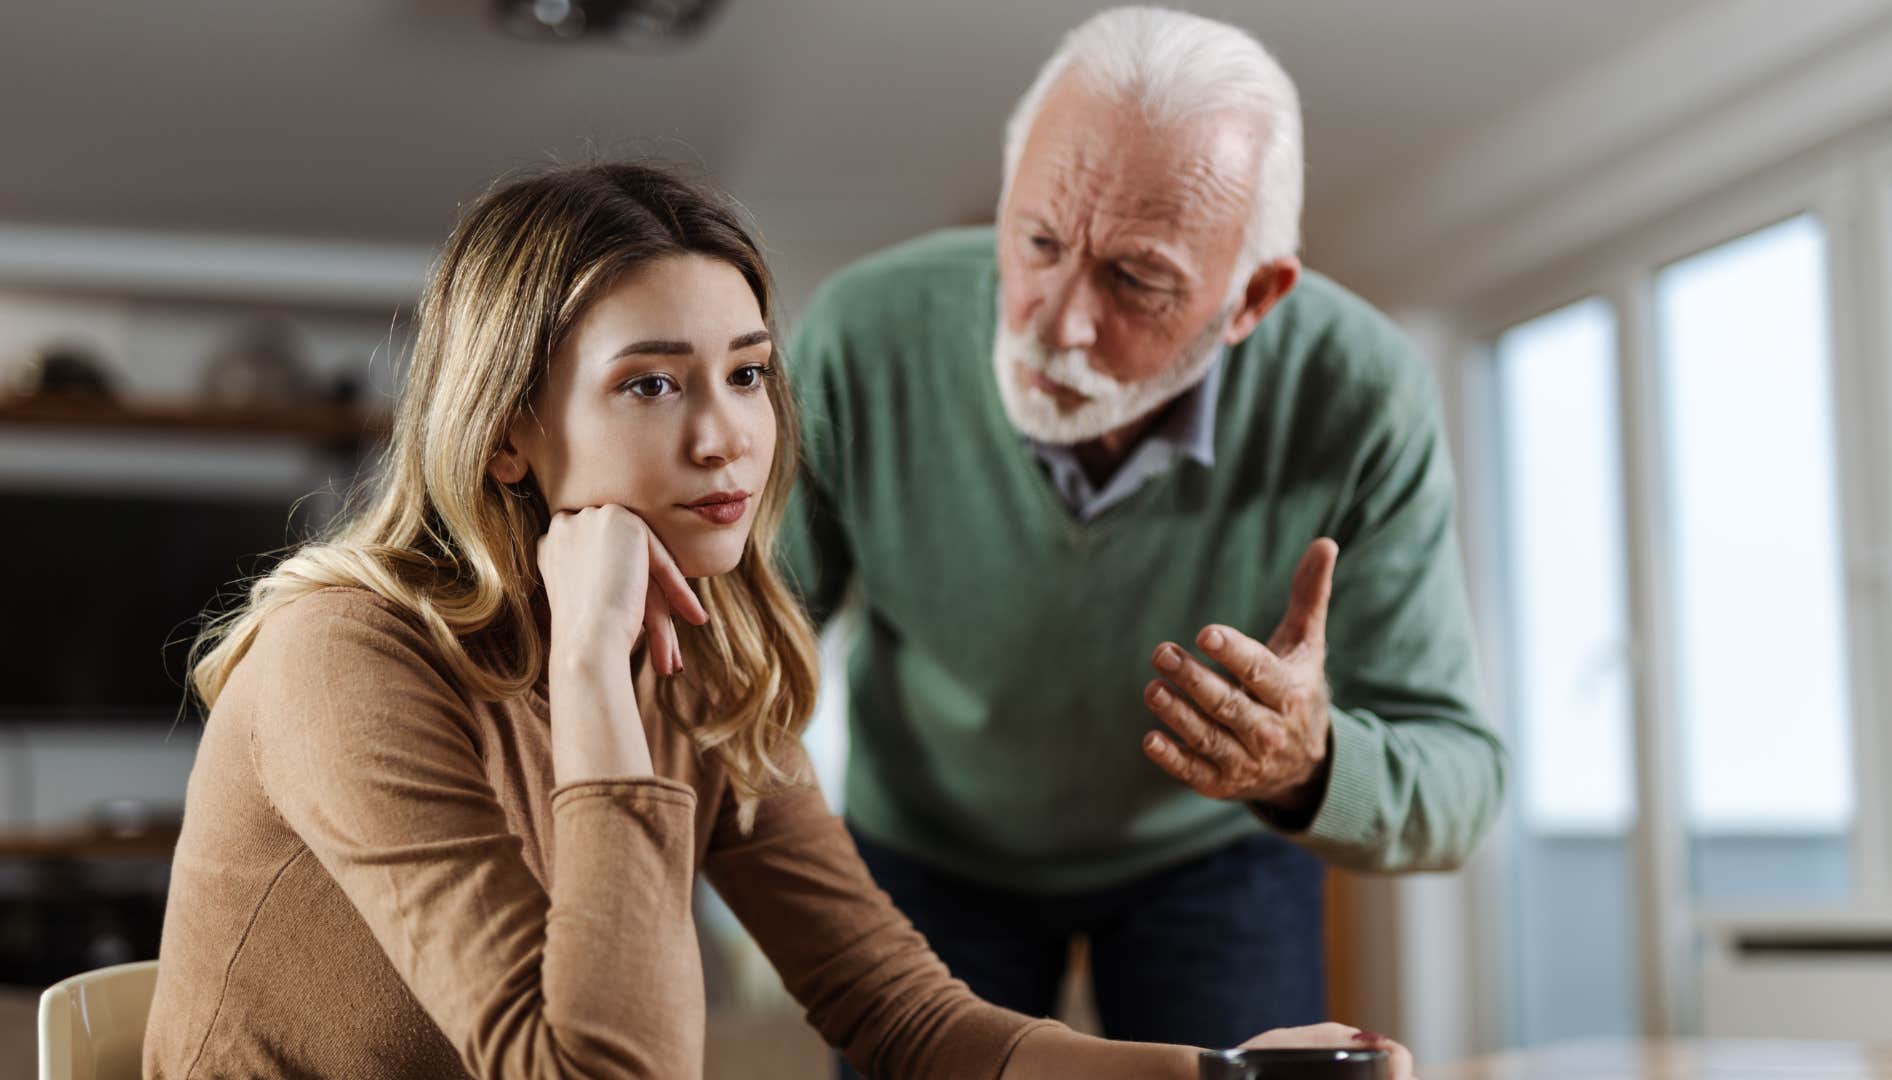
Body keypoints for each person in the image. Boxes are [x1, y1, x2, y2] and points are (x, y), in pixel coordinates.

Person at [139, 162, 1414, 1079]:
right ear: (511, 432)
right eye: (651, 385)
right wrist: (592, 677)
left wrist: (1224, 1073)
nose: (725, 437)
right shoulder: (345, 655)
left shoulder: (705, 665)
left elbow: (908, 1018)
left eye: (747, 373)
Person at [780, 7, 1507, 1056]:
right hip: (928, 842)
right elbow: (748, 647)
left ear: (1253, 299)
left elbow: (1461, 781)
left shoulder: (1362, 393)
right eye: (1037, 242)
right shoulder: (863, 333)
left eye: (1137, 280)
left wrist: (1308, 764)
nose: (1056, 323)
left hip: (1214, 849)